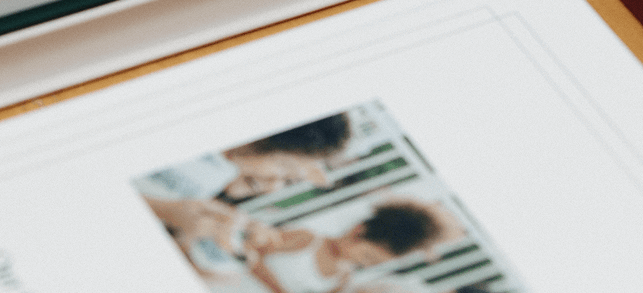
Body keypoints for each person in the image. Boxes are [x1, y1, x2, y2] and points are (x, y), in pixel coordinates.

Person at [135, 115, 353, 268]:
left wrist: (239, 245)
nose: (273, 186)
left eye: (287, 181)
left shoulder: (218, 176)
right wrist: (164, 210)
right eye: (283, 167)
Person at [248, 199, 456, 293]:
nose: (364, 265)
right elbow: (250, 253)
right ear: (358, 231)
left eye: (374, 264)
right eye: (368, 257)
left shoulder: (343, 278)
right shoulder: (307, 240)